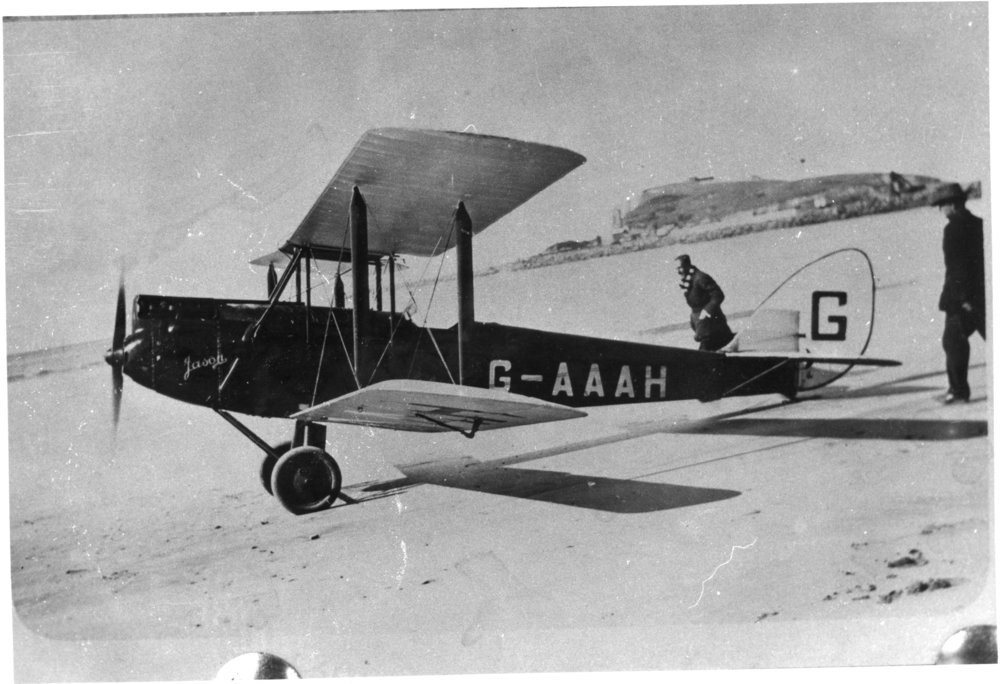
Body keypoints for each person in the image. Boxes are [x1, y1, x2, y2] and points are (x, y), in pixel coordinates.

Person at [932, 183, 986, 404]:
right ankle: (958, 390)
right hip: (984, 294)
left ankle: (958, 391)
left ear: (952, 205)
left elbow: (957, 267)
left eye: (942, 205)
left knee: (953, 341)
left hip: (963, 299)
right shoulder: (979, 224)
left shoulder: (953, 229)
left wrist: (963, 299)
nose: (941, 210)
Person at [674, 254, 736, 351]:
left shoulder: (701, 277)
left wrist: (706, 311)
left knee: (705, 352)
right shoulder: (687, 279)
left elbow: (718, 295)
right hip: (701, 323)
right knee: (718, 346)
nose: (678, 271)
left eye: (680, 268)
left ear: (688, 265)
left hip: (710, 323)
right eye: (676, 268)